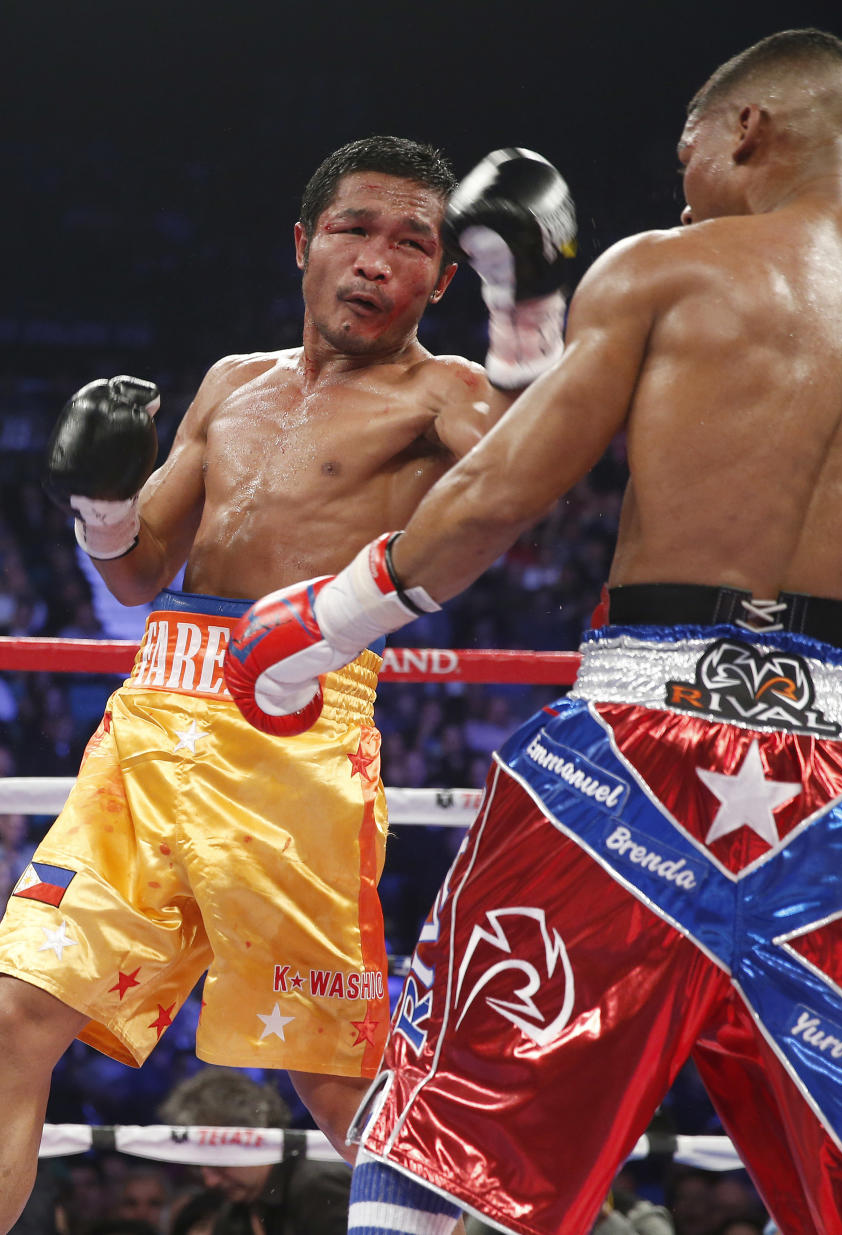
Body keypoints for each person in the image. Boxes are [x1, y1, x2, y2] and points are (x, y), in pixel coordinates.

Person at [224, 28, 842, 1235]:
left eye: (689, 158)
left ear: (748, 131)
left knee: (440, 1128)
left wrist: (319, 619)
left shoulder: (671, 267)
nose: (683, 190)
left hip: (637, 768)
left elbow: (505, 490)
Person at [0, 134, 576, 1233]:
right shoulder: (231, 382)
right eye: (356, 230)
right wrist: (103, 505)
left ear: (443, 279)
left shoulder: (444, 390)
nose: (377, 261)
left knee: (339, 1080)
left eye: (414, 243)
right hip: (149, 724)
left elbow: (529, 472)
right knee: (14, 1020)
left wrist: (525, 323)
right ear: (306, 244)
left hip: (291, 734)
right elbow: (138, 567)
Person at [157, 1067, 350, 1235]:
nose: (210, 1181)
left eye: (217, 1162)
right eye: (200, 1167)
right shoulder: (234, 1213)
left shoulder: (317, 1184)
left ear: (251, 1135)